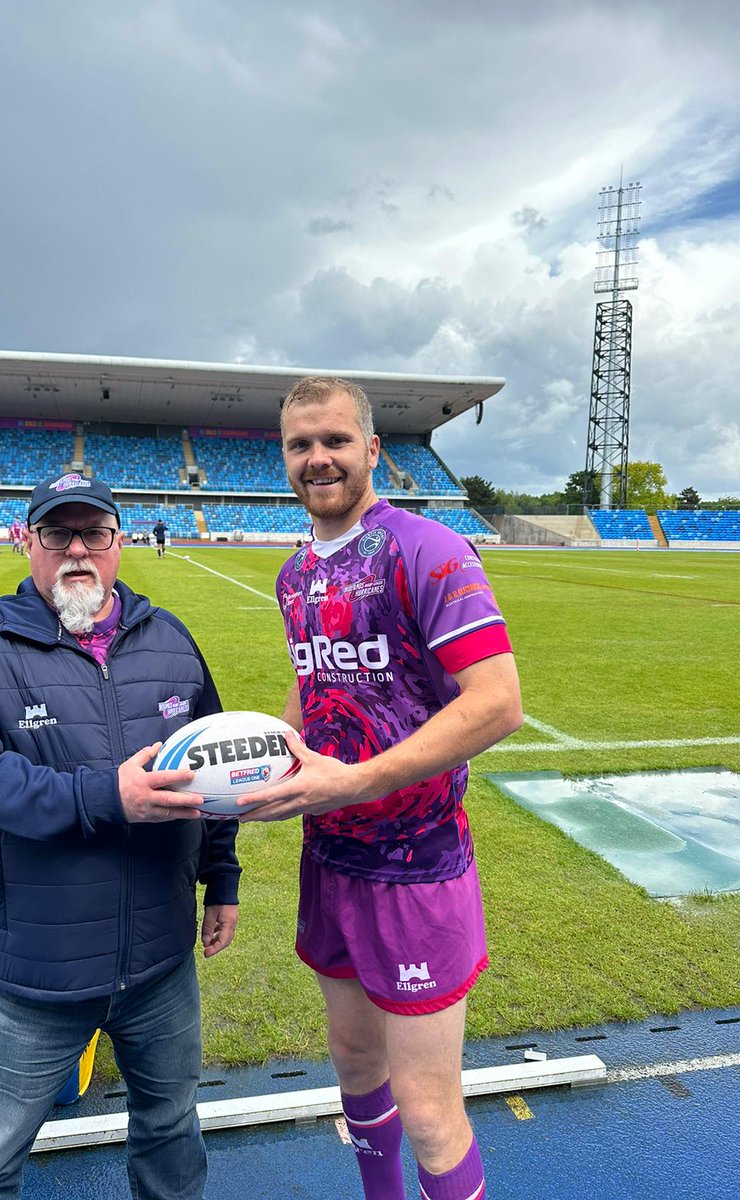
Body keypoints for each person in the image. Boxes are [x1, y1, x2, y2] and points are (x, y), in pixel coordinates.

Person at [241, 378, 523, 1200]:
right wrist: (259, 758)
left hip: (416, 867)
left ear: (372, 450)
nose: (316, 458)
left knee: (429, 1110)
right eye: (299, 445)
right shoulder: (296, 572)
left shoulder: (429, 548)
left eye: (333, 440)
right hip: (329, 858)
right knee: (356, 1070)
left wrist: (356, 779)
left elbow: (498, 703)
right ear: (285, 459)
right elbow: (314, 689)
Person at [0, 472, 240, 1200]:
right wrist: (108, 795)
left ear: (118, 544)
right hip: (40, 970)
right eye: (57, 533)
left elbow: (213, 768)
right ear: (28, 541)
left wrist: (220, 879)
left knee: (170, 1132)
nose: (77, 549)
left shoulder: (170, 638)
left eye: (93, 533)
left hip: (162, 962)